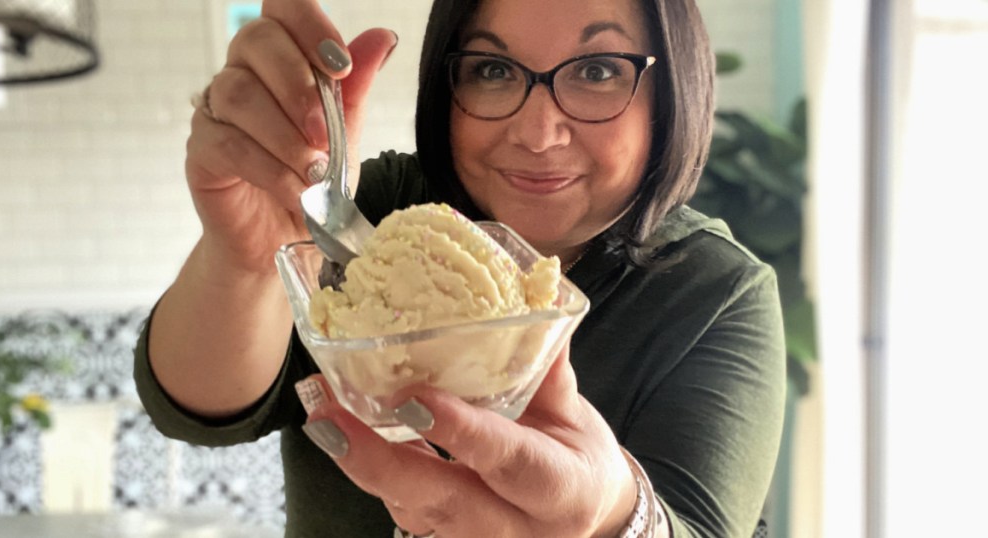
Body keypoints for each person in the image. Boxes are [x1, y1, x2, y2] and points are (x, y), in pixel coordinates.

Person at [133, 0, 787, 536]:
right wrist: (247, 258)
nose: (537, 132)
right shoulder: (377, 216)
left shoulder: (715, 293)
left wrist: (617, 517)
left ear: (673, 92)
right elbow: (201, 409)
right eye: (493, 69)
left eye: (595, 71)